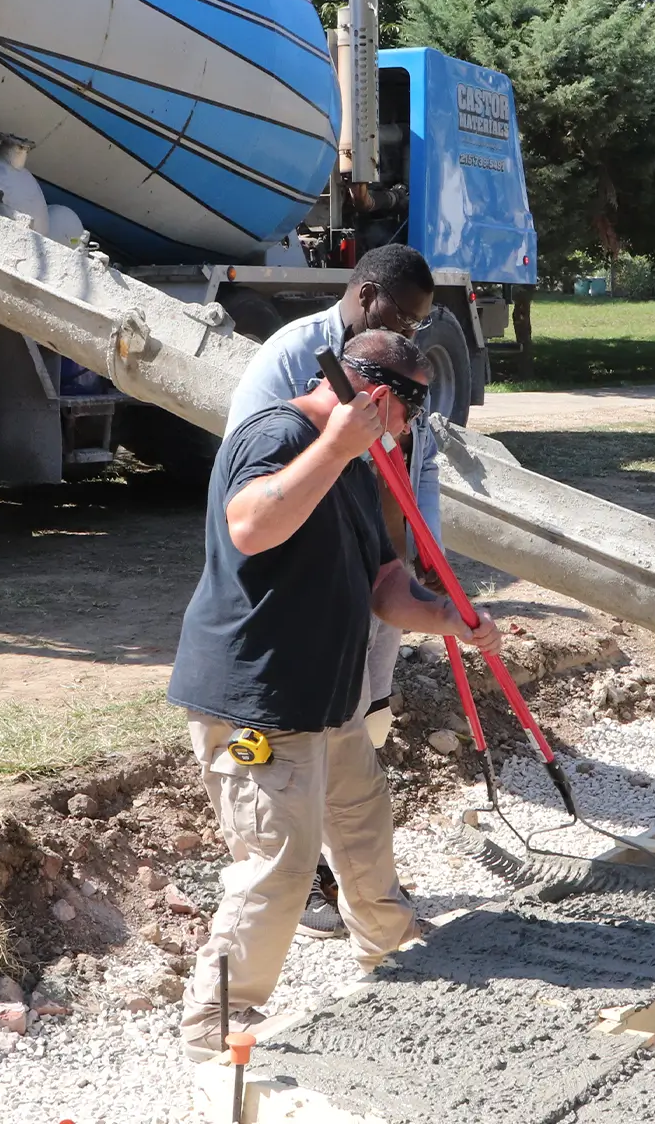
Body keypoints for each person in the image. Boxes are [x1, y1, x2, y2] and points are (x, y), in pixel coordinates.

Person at [170, 329, 501, 1061]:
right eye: (406, 414)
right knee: (279, 867)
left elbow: (386, 582)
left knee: (361, 824)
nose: (407, 433)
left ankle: (393, 949)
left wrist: (447, 616)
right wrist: (337, 446)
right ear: (379, 398)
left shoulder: (358, 460)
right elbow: (252, 526)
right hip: (259, 696)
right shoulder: (280, 433)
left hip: (329, 692)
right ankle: (212, 1027)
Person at [224, 243, 440, 937]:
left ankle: (369, 899)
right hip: (303, 583)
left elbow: (416, 465)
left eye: (419, 323)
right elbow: (254, 477)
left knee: (363, 723)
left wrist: (417, 560)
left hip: (374, 569)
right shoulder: (297, 358)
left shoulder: (397, 371)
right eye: (404, 316)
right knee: (295, 746)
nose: (411, 331)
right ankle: (311, 877)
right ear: (368, 293)